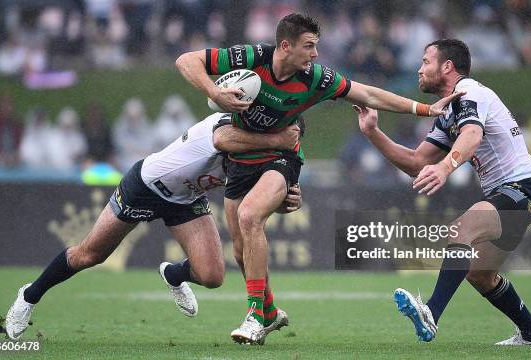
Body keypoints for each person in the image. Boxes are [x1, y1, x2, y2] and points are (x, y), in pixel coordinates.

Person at [175, 13, 463, 344]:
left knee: (249, 216)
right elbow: (187, 61)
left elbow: (368, 94)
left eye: (317, 47)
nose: (315, 55)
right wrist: (215, 90)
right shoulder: (251, 57)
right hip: (239, 161)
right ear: (285, 46)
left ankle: (255, 314)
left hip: (281, 158)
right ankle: (269, 313)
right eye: (309, 46)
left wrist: (425, 110)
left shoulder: (317, 79)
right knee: (240, 251)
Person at [4, 113, 303, 341]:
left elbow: (254, 201)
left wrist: (285, 199)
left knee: (212, 276)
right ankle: (29, 295)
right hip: (146, 185)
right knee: (90, 255)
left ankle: (173, 274)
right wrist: (277, 141)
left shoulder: (258, 153)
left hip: (186, 200)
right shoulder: (230, 124)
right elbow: (222, 140)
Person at [355, 39, 531, 346]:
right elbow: (416, 163)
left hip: (523, 190)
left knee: (461, 228)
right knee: (480, 275)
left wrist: (446, 168)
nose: (419, 70)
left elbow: (472, 135)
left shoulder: (469, 92)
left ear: (447, 67)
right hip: (506, 194)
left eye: (425, 62)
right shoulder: (448, 112)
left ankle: (431, 313)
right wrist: (372, 133)